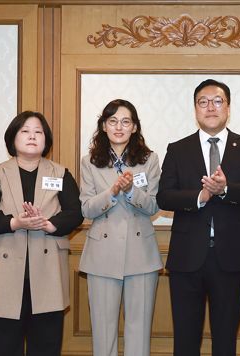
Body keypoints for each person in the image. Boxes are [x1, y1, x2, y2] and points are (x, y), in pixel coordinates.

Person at [157, 79, 240, 356]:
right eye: (203, 102)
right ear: (195, 108)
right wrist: (200, 197)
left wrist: (226, 190)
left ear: (228, 107)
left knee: (225, 339)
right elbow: (164, 196)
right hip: (186, 257)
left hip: (230, 257)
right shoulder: (178, 148)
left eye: (217, 101)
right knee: (185, 339)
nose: (210, 107)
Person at [0, 111, 83, 356]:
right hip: (6, 270)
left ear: (46, 140)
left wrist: (49, 224)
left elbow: (76, 212)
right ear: (13, 138)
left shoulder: (60, 174)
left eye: (38, 132)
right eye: (25, 131)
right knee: (5, 346)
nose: (32, 136)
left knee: (46, 345)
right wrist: (15, 222)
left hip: (48, 270)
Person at [79, 99, 162, 356]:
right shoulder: (89, 161)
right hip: (102, 253)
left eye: (126, 121)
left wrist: (131, 191)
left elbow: (154, 207)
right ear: (104, 126)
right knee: (103, 332)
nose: (119, 127)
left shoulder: (149, 159)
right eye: (113, 121)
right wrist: (113, 192)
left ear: (134, 127)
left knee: (139, 330)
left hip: (141, 254)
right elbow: (86, 208)